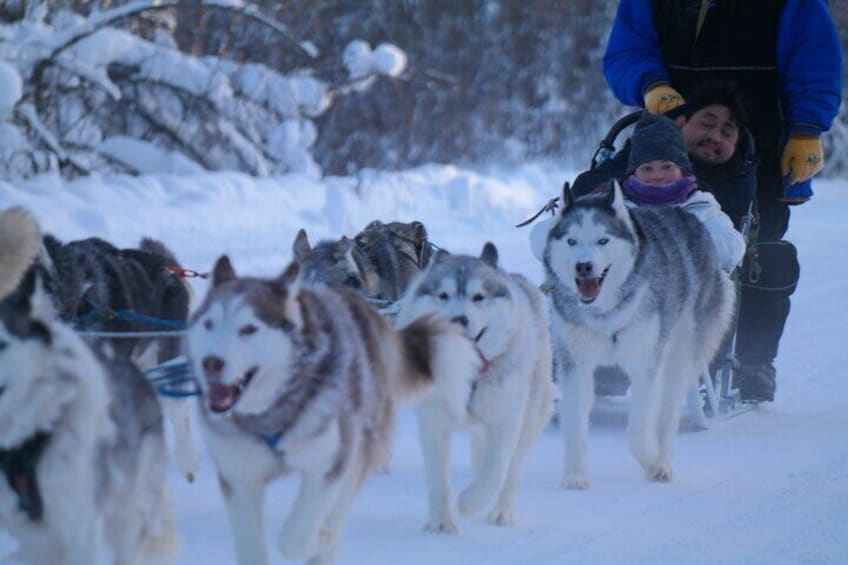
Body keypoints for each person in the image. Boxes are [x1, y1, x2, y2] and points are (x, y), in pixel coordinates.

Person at [602, 0, 844, 402]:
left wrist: (807, 127)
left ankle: (751, 361)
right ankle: (614, 357)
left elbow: (815, 63)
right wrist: (650, 83)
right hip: (669, 138)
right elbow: (627, 51)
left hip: (761, 146)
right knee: (631, 245)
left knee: (758, 253)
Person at [531, 111, 744, 273]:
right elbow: (541, 238)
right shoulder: (607, 204)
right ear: (633, 173)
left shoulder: (700, 206)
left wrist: (686, 243)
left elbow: (731, 248)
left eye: (667, 167)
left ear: (682, 170)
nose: (658, 176)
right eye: (647, 168)